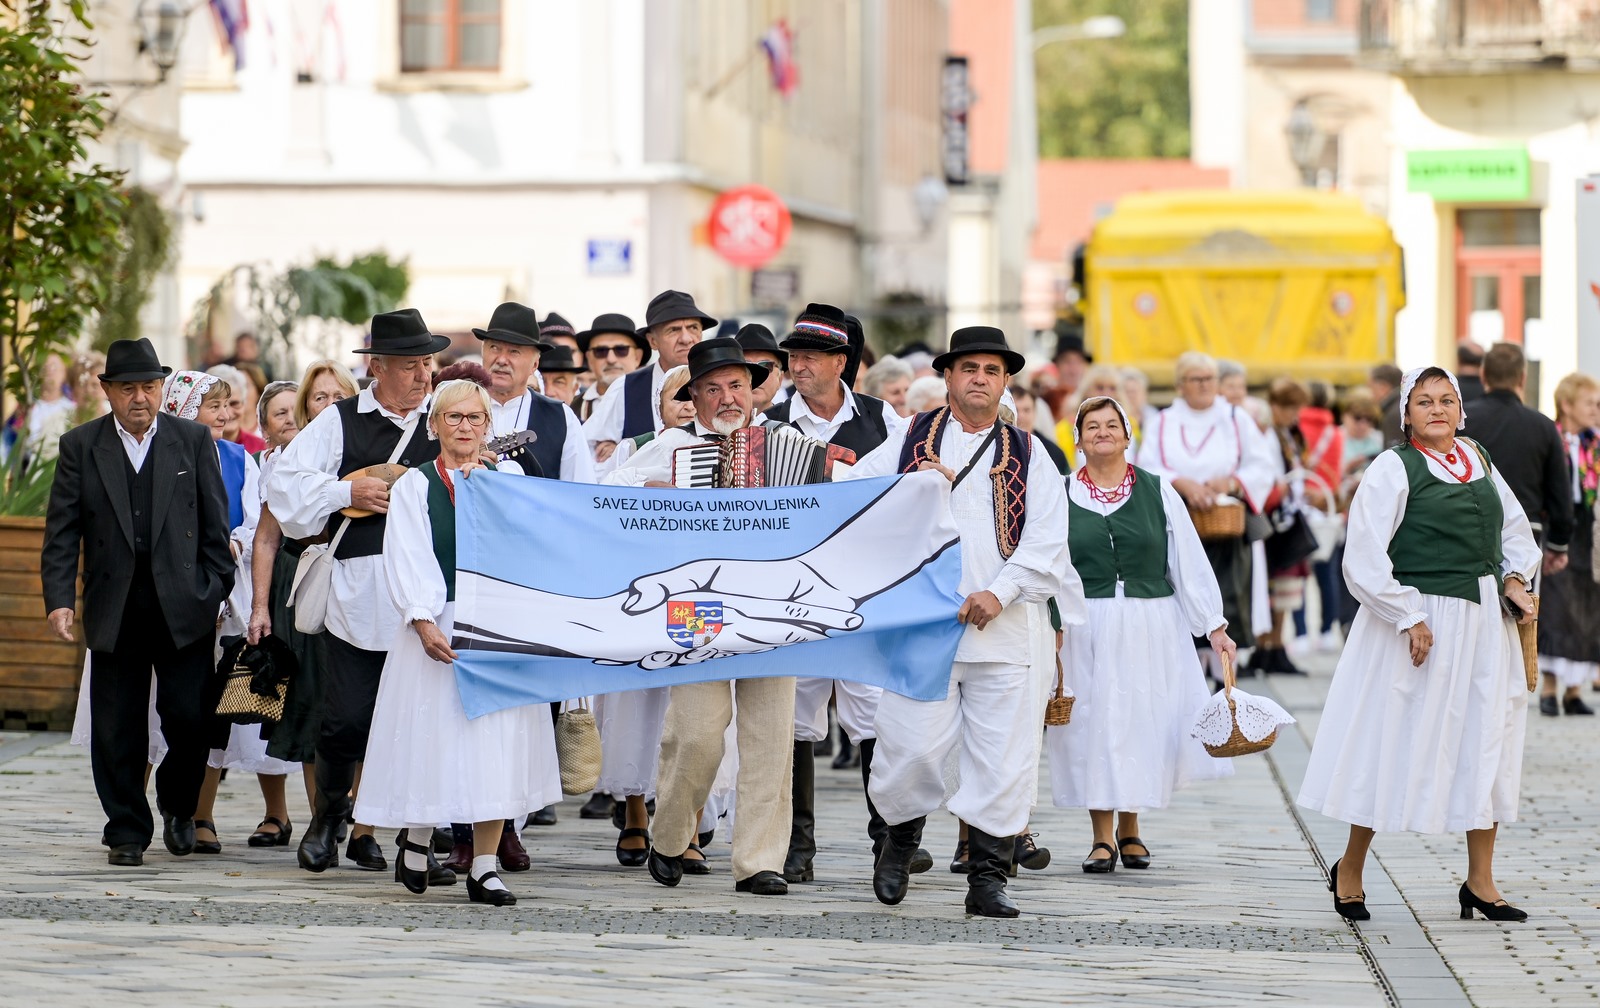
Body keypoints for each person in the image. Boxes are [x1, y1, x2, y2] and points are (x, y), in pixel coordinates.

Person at [846, 326, 1078, 918]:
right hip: (924, 628)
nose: (980, 379)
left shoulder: (1031, 453)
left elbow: (1049, 540)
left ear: (1006, 383)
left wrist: (1000, 592)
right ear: (947, 377)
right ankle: (899, 840)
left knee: (1003, 757)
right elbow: (851, 496)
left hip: (1004, 634)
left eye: (992, 371)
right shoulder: (908, 437)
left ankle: (988, 876)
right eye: (969, 368)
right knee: (909, 748)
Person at [1298, 366, 1539, 924]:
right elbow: (1362, 557)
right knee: (1393, 740)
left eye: (1447, 400)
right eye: (1425, 401)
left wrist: (1513, 579)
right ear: (1406, 414)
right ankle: (1351, 867)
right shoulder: (1393, 468)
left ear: (1461, 409)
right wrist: (1408, 615)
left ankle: (1480, 881)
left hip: (1483, 624)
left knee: (1486, 737)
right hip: (1420, 624)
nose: (1438, 409)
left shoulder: (1477, 457)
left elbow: (1515, 532)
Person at [265, 309, 455, 884]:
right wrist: (347, 489)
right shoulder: (341, 420)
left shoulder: (443, 418)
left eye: (428, 362)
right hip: (358, 586)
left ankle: (413, 842)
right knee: (345, 719)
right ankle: (329, 818)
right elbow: (286, 483)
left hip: (427, 589)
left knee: (422, 722)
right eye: (411, 364)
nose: (424, 375)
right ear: (377, 367)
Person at [353, 379, 559, 907]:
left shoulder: (507, 477)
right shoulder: (414, 487)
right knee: (434, 737)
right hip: (438, 617)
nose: (464, 427)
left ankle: (485, 867)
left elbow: (528, 542)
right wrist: (422, 621)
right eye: (453, 418)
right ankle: (418, 839)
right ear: (434, 425)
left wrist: (484, 489)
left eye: (474, 418)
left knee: (497, 741)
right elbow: (407, 555)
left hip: (497, 623)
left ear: (488, 426)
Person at [605, 337, 798, 896]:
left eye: (736, 384)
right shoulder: (671, 446)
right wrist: (655, 490)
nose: (727, 397)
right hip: (697, 607)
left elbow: (826, 513)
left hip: (771, 604)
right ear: (696, 396)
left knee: (769, 739)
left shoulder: (786, 444)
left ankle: (760, 861)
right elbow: (606, 494)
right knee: (696, 735)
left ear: (753, 390)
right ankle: (668, 836)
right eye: (712, 388)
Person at [41, 338, 235, 867]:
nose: (140, 398)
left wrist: (215, 588)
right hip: (114, 604)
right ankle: (125, 829)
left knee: (191, 720)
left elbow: (216, 526)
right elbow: (63, 532)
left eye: (149, 387)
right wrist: (60, 600)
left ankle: (178, 807)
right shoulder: (80, 445)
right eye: (127, 388)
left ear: (161, 389)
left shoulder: (192, 439)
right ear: (108, 391)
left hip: (184, 604)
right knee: (116, 727)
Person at [1047, 396, 1234, 872]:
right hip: (1085, 621)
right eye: (1093, 426)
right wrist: (1052, 625)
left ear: (1128, 436)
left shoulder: (1158, 490)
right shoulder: (1061, 491)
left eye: (1113, 425)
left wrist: (1213, 624)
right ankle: (1102, 836)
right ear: (1079, 437)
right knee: (1092, 722)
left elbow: (1186, 560)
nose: (1103, 432)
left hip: (1152, 622)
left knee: (1140, 718)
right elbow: (1047, 563)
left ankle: (1131, 826)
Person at [760, 303, 908, 886]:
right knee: (796, 712)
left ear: (841, 362)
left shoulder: (883, 418)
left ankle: (885, 841)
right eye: (793, 357)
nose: (798, 367)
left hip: (861, 586)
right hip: (792, 585)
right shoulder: (769, 422)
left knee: (870, 710)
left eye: (810, 357)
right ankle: (797, 844)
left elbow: (902, 489)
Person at [247, 361, 358, 808]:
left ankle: (363, 820)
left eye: (338, 396)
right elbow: (266, 539)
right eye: (319, 397)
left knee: (362, 701)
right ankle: (322, 817)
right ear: (306, 408)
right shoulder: (292, 462)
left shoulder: (370, 451)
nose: (330, 405)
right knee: (314, 701)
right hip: (305, 582)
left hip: (366, 579)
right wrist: (260, 608)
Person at [1137, 352, 1279, 677]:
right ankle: (1191, 678)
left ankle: (1226, 682)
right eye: (1195, 379)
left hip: (1226, 527)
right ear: (1180, 385)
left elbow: (1261, 463)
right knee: (1183, 598)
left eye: (1209, 379)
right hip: (1178, 521)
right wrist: (1182, 483)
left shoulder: (1234, 417)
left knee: (1228, 597)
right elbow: (1147, 464)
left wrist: (1230, 482)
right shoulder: (1164, 420)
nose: (1203, 386)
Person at [1462, 342, 1572, 581]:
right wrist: (1558, 544)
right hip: (1526, 537)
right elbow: (1559, 491)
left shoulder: (1463, 421)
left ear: (1483, 375)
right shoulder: (1543, 426)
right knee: (1521, 613)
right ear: (1522, 378)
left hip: (1467, 531)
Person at [583, 290, 717, 461]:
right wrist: (622, 454)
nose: (686, 338)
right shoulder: (625, 388)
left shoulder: (721, 384)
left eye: (693, 328)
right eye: (674, 330)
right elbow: (586, 451)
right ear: (653, 341)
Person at [1535, 372, 1600, 717]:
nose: (1596, 410)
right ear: (1567, 405)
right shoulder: (1551, 438)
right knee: (1555, 603)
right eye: (1590, 403)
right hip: (1555, 523)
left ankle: (1574, 690)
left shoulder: (1595, 443)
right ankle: (1549, 687)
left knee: (1586, 603)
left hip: (1587, 525)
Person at [475, 302, 594, 483]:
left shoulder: (561, 417)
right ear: (482, 352)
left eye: (514, 351)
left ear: (534, 365)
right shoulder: (457, 405)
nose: (501, 359)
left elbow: (582, 490)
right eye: (494, 348)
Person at [1292, 381, 1344, 652]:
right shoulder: (1335, 433)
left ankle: (1300, 634)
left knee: (1298, 573)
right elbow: (1337, 471)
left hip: (1300, 507)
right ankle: (1327, 631)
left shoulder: (1296, 429)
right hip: (1325, 506)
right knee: (1327, 572)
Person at [575, 313, 646, 422]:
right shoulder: (572, 409)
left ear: (637, 357)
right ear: (589, 359)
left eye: (621, 350)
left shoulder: (658, 403)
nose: (611, 359)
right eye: (600, 351)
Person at [207, 363, 268, 454]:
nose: (227, 414)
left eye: (235, 404)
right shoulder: (196, 449)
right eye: (216, 406)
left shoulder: (261, 449)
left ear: (244, 404)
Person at [735, 323, 786, 415]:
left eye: (766, 366)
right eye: (746, 366)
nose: (756, 374)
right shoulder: (711, 426)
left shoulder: (793, 427)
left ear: (780, 379)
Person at [1369, 362, 1404, 449]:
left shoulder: (1393, 415)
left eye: (1372, 388)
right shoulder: (1402, 407)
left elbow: (1395, 454)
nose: (1371, 394)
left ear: (1383, 387)